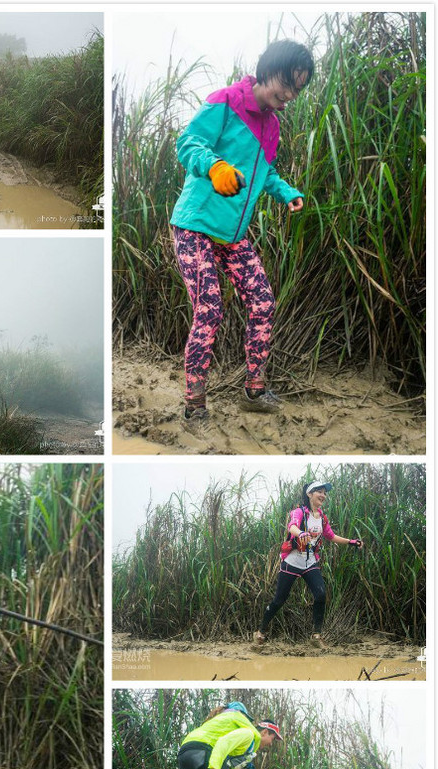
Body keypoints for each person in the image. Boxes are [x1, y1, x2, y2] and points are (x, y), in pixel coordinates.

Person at [170, 40, 315, 422]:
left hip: (232, 237)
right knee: (209, 307)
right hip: (195, 226)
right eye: (288, 83)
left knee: (264, 302)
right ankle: (195, 404)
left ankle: (253, 390)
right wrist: (215, 167)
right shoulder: (226, 101)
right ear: (268, 70)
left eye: (298, 89)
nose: (290, 95)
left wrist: (286, 193)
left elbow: (263, 172)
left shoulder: (273, 126)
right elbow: (187, 142)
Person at [254, 481, 364, 650]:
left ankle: (316, 636)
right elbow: (292, 527)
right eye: (319, 491)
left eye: (324, 493)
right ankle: (260, 632)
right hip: (292, 561)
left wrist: (351, 542)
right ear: (309, 494)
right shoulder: (299, 512)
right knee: (279, 600)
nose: (323, 495)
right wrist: (302, 533)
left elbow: (331, 536)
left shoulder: (322, 518)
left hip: (310, 562)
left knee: (321, 595)